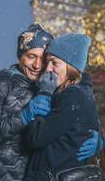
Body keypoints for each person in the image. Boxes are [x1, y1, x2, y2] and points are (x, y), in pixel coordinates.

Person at [0, 23, 100, 181]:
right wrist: (23, 116)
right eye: (31, 56)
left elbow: (76, 119)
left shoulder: (58, 86)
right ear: (20, 55)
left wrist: (98, 139)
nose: (37, 65)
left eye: (43, 59)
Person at [24, 33, 100, 180]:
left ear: (71, 66)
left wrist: (44, 93)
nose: (47, 69)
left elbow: (36, 137)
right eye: (47, 63)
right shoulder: (80, 92)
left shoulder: (73, 95)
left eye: (54, 63)